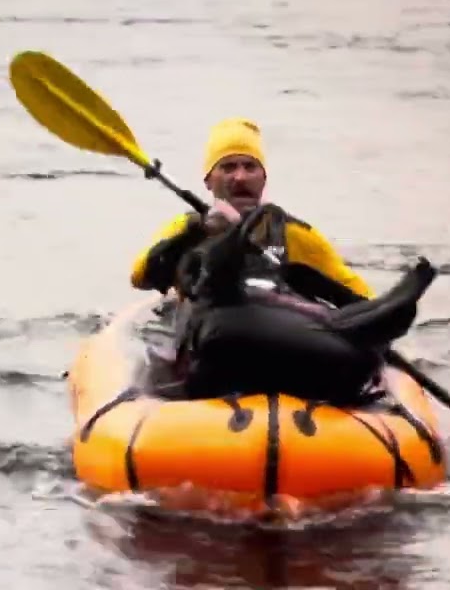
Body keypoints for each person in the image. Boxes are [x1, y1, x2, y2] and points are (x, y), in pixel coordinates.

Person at [129, 118, 434, 405]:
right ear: (209, 181)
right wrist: (199, 231)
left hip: (280, 333)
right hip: (209, 338)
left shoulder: (293, 234)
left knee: (346, 322)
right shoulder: (188, 226)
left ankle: (362, 325)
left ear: (263, 178)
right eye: (228, 167)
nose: (240, 177)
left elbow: (358, 294)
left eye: (250, 167)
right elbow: (141, 276)